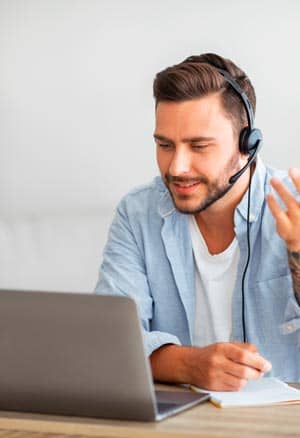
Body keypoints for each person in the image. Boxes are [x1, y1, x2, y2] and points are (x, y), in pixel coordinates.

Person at [95, 53, 300, 391]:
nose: (177, 167)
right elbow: (110, 343)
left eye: (199, 146)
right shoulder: (137, 213)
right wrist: (191, 365)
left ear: (247, 144)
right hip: (177, 422)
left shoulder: (293, 207)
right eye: (165, 145)